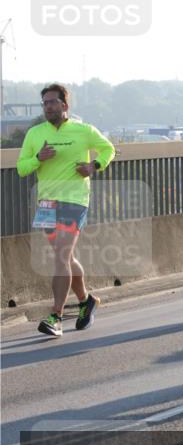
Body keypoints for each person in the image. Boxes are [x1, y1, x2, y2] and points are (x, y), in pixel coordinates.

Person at [17, 83, 116, 337]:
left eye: (52, 102)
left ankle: (56, 316)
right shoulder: (35, 133)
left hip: (75, 201)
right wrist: (38, 158)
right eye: (45, 103)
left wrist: (94, 165)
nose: (48, 107)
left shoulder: (84, 130)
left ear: (64, 105)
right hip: (47, 203)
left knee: (61, 257)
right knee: (67, 259)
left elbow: (109, 149)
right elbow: (21, 168)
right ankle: (87, 301)